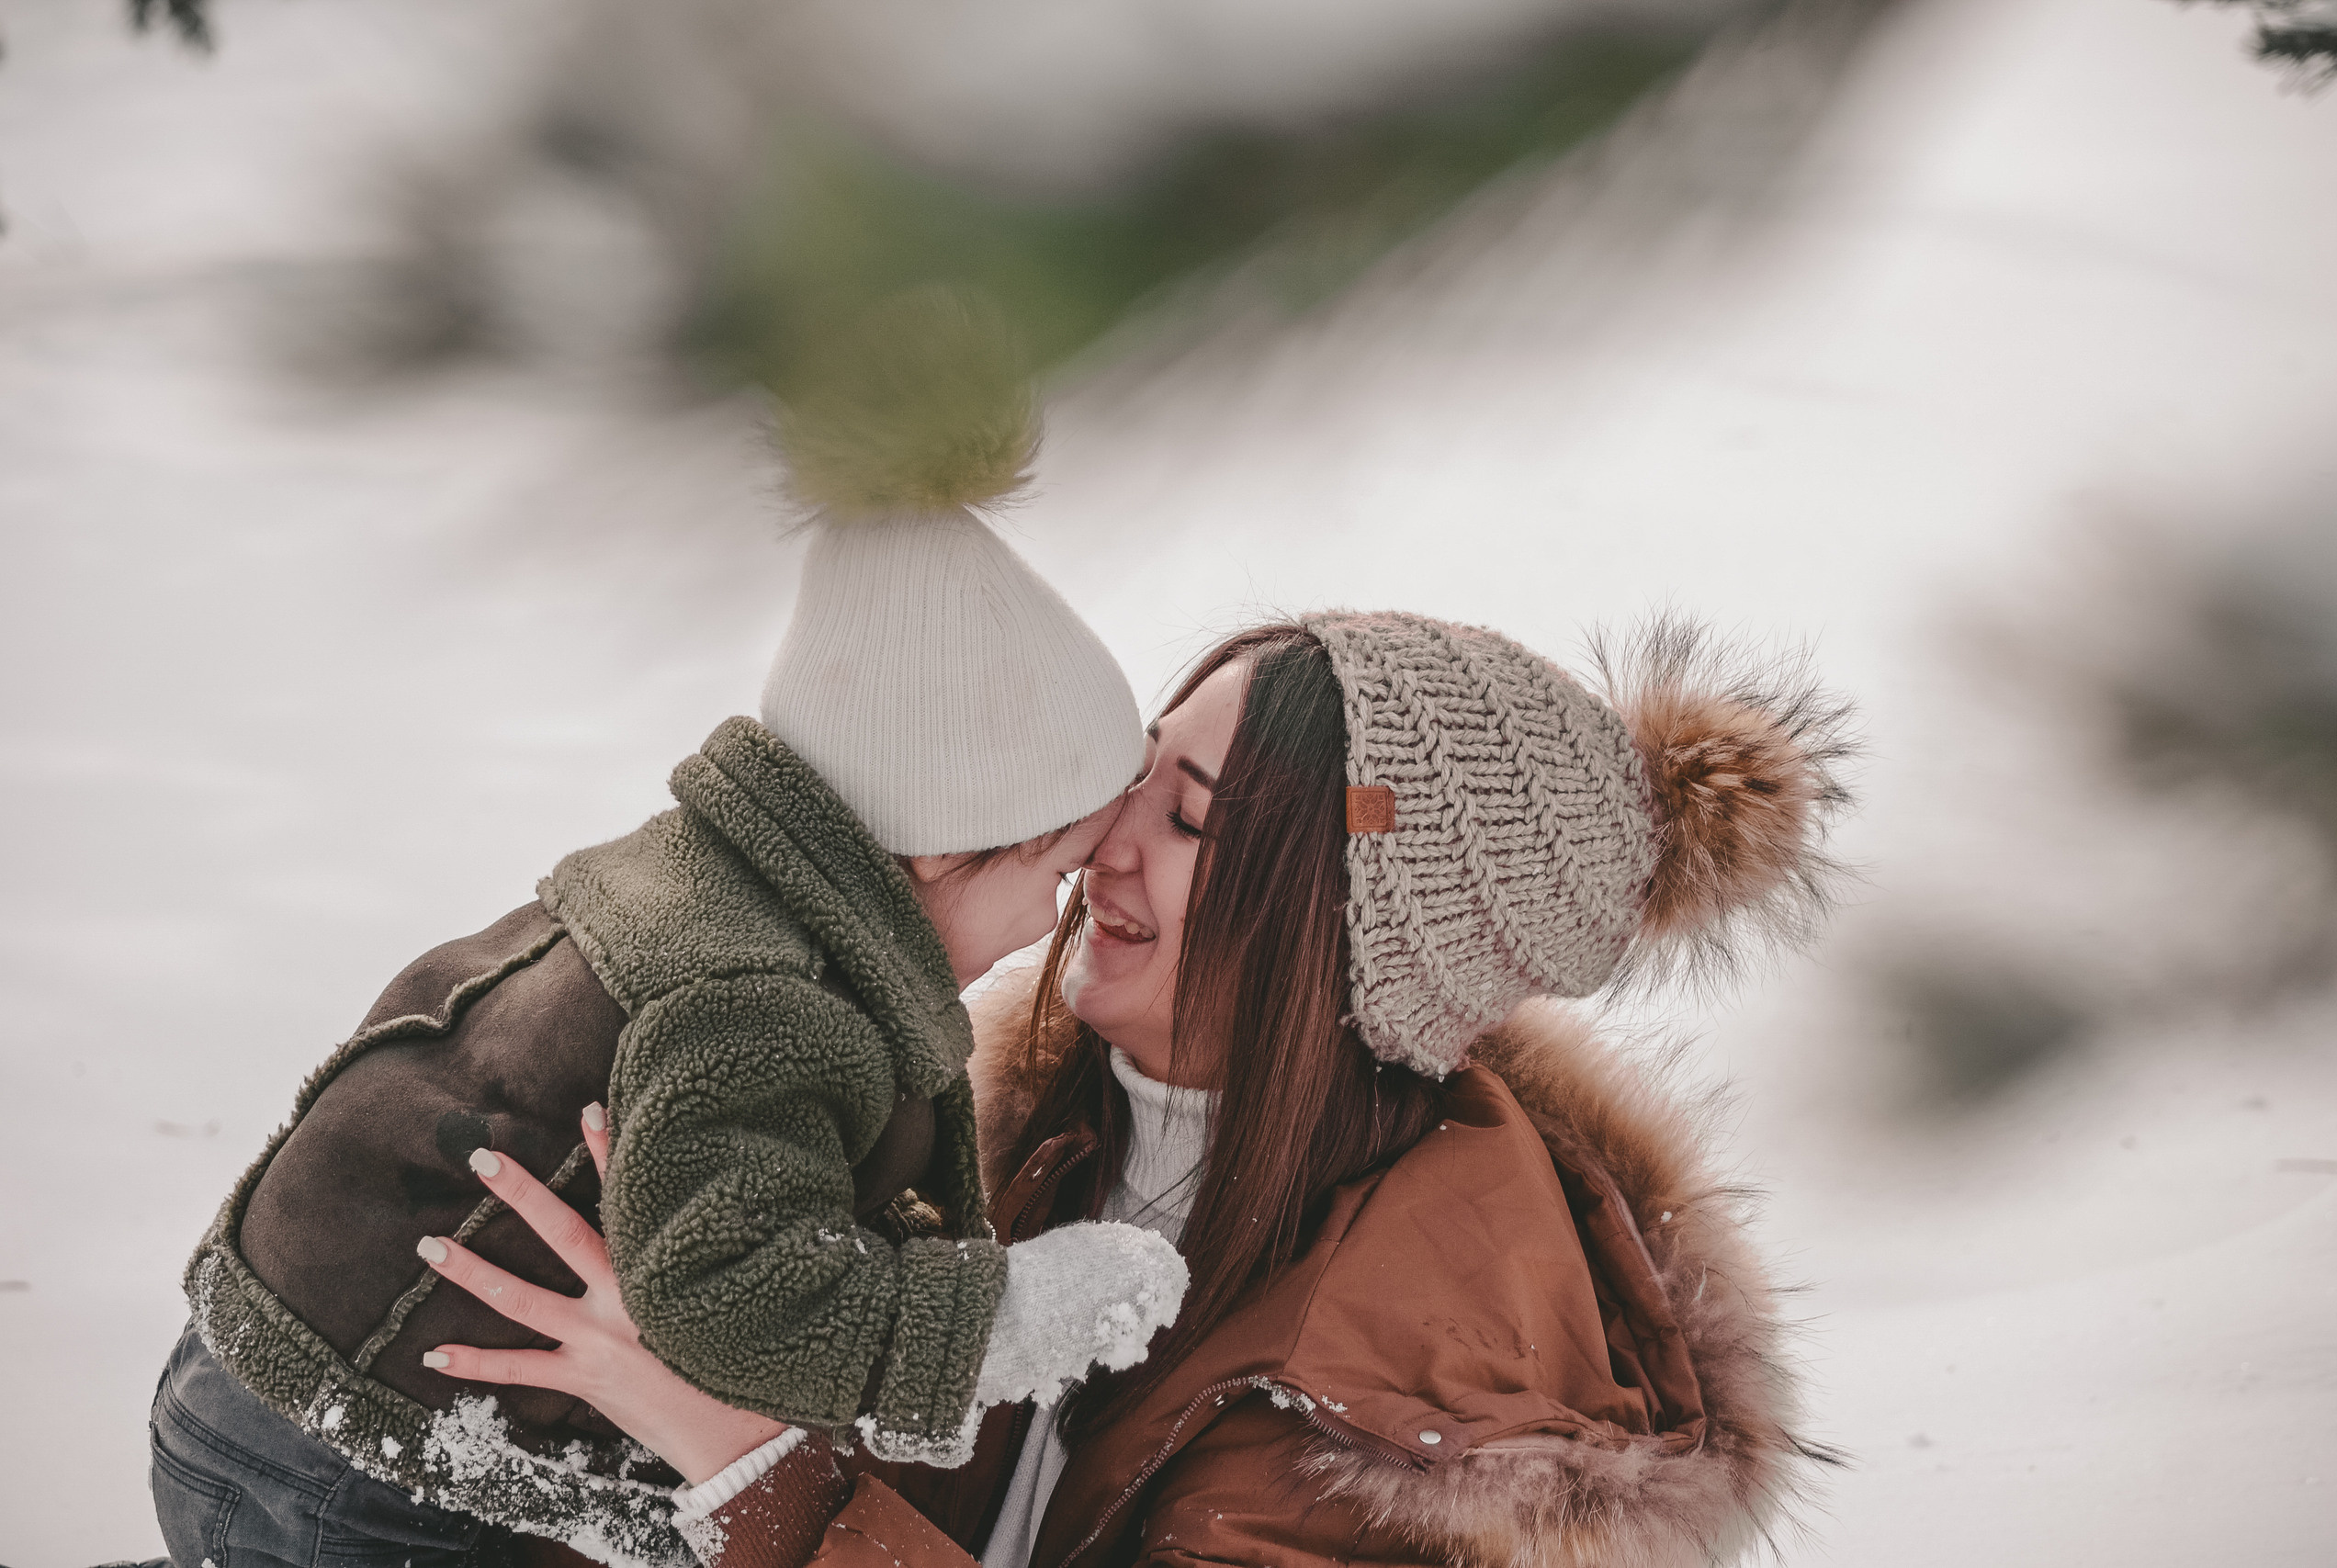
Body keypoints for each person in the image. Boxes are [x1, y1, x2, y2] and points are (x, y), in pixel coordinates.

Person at [419, 611, 1858, 1568]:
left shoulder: (1428, 1383)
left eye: (1185, 820)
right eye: (1133, 780)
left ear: (1341, 938)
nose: (1098, 841)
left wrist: (743, 1454)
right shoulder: (1020, 1125)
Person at [149, 295, 1191, 1568]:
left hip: (271, 1385)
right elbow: (732, 1300)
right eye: (1057, 873)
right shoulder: (766, 1000)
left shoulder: (713, 879)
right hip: (373, 1477)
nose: (1055, 920)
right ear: (941, 843)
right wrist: (1005, 1318)